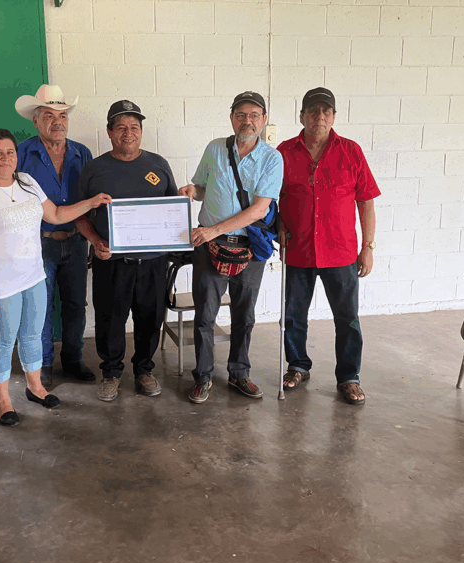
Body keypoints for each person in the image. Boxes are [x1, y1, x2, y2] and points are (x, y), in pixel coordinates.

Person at [0, 129, 110, 426]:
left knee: (32, 335)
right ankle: (2, 399)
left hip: (34, 276)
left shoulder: (26, 181)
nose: (5, 158)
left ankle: (35, 387)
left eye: (10, 152)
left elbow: (56, 215)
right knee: (2, 342)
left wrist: (90, 203)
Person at [178, 91, 283, 404]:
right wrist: (192, 190)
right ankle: (203, 376)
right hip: (209, 247)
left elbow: (259, 210)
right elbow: (203, 188)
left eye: (254, 115)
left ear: (263, 120)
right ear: (232, 118)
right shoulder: (215, 148)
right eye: (241, 115)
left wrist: (212, 230)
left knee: (244, 315)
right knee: (204, 316)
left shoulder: (272, 159)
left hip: (248, 248)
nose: (247, 121)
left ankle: (239, 373)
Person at [277, 87, 380, 405]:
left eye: (325, 111)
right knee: (293, 315)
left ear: (333, 117)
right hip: (298, 249)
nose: (319, 117)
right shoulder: (284, 152)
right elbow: (269, 196)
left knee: (347, 318)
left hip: (341, 251)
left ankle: (349, 377)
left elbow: (366, 201)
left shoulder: (351, 151)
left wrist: (368, 247)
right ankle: (297, 366)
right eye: (313, 111)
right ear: (302, 116)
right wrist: (278, 224)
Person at [74, 100, 178, 402]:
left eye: (134, 127)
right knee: (110, 320)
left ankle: (144, 370)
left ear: (141, 132)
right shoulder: (94, 169)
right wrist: (95, 241)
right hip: (111, 262)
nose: (128, 133)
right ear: (109, 132)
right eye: (120, 127)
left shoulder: (159, 165)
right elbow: (80, 216)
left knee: (150, 319)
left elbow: (173, 210)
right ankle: (111, 373)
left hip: (153, 263)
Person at [15, 84, 94, 390]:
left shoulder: (82, 153)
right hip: (38, 242)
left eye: (62, 115)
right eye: (48, 116)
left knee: (75, 305)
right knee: (40, 306)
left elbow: (90, 200)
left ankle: (73, 359)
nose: (57, 122)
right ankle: (44, 363)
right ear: (36, 121)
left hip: (76, 240)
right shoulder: (21, 154)